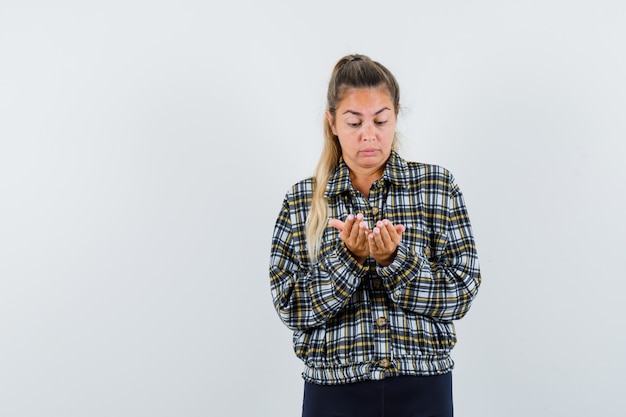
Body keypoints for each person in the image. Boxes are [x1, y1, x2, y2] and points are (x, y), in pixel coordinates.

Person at [269, 54, 481, 417]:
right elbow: (290, 306)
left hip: (423, 388)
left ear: (396, 115)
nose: (369, 134)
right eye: (354, 122)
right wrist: (347, 262)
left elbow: (461, 292)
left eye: (381, 120)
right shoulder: (302, 200)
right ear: (332, 122)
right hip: (333, 392)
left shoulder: (437, 187)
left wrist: (395, 262)